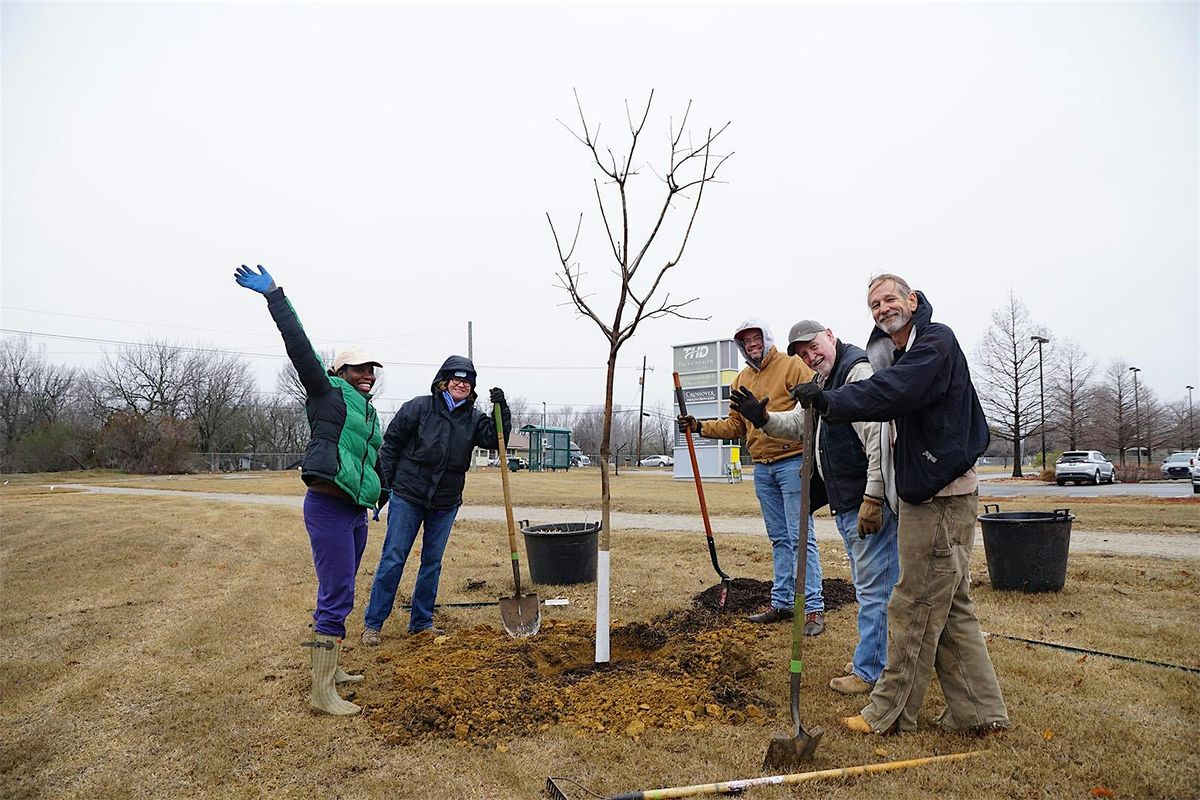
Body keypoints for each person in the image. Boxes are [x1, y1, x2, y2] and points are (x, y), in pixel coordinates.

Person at [792, 274, 1009, 735]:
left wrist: (831, 401)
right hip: (927, 494)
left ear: (912, 300)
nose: (882, 309)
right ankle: (979, 711)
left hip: (942, 496)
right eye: (874, 305)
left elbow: (893, 391)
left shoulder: (935, 343)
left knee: (913, 604)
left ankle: (888, 713)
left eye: (889, 299)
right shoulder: (901, 352)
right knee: (951, 607)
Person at [234, 264, 385, 717]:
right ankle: (322, 692)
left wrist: (381, 493)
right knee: (336, 592)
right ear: (340, 369)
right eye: (359, 368)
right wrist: (274, 296)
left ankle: (332, 668)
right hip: (327, 506)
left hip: (354, 511)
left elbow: (370, 459)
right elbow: (299, 347)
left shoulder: (369, 412)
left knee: (341, 589)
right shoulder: (327, 393)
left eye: (371, 369)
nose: (367, 374)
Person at [730, 319, 900, 695]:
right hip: (848, 500)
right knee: (872, 585)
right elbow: (801, 422)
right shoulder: (825, 380)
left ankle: (870, 669)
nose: (810, 356)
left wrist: (873, 497)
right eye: (803, 354)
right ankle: (877, 656)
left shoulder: (854, 373)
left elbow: (877, 438)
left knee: (875, 588)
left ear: (830, 336)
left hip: (864, 500)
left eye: (813, 346)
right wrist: (763, 419)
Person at [677, 320, 826, 634]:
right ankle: (782, 603)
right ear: (741, 346)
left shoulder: (792, 366)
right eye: (745, 341)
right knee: (779, 539)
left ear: (766, 338)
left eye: (756, 337)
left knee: (800, 538)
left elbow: (813, 406)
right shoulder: (741, 380)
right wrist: (700, 426)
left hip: (793, 462)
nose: (752, 344)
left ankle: (813, 608)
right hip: (763, 468)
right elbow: (735, 426)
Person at [361, 356, 510, 645]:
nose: (461, 384)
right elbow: (391, 445)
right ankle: (373, 624)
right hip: (409, 495)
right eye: (456, 379)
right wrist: (386, 485)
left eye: (467, 381)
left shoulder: (473, 419)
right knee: (393, 558)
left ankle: (421, 623)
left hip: (445, 501)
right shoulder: (419, 408)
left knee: (432, 562)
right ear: (443, 381)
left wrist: (501, 409)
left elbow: (495, 439)